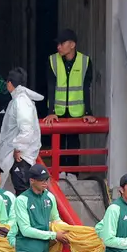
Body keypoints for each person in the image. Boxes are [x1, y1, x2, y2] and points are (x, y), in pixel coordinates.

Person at [42, 29, 96, 166]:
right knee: (58, 144)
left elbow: (86, 88)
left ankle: (73, 174)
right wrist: (51, 112)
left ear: (72, 45)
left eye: (62, 43)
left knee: (73, 143)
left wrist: (88, 112)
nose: (58, 47)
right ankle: (58, 175)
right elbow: (51, 87)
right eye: (58, 44)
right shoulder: (52, 60)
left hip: (76, 112)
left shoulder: (85, 61)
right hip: (58, 112)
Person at [0, 68, 44, 195]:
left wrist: (18, 147)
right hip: (15, 152)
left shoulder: (21, 101)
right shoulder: (19, 99)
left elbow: (26, 129)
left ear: (10, 83)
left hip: (20, 155)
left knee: (22, 190)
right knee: (19, 189)